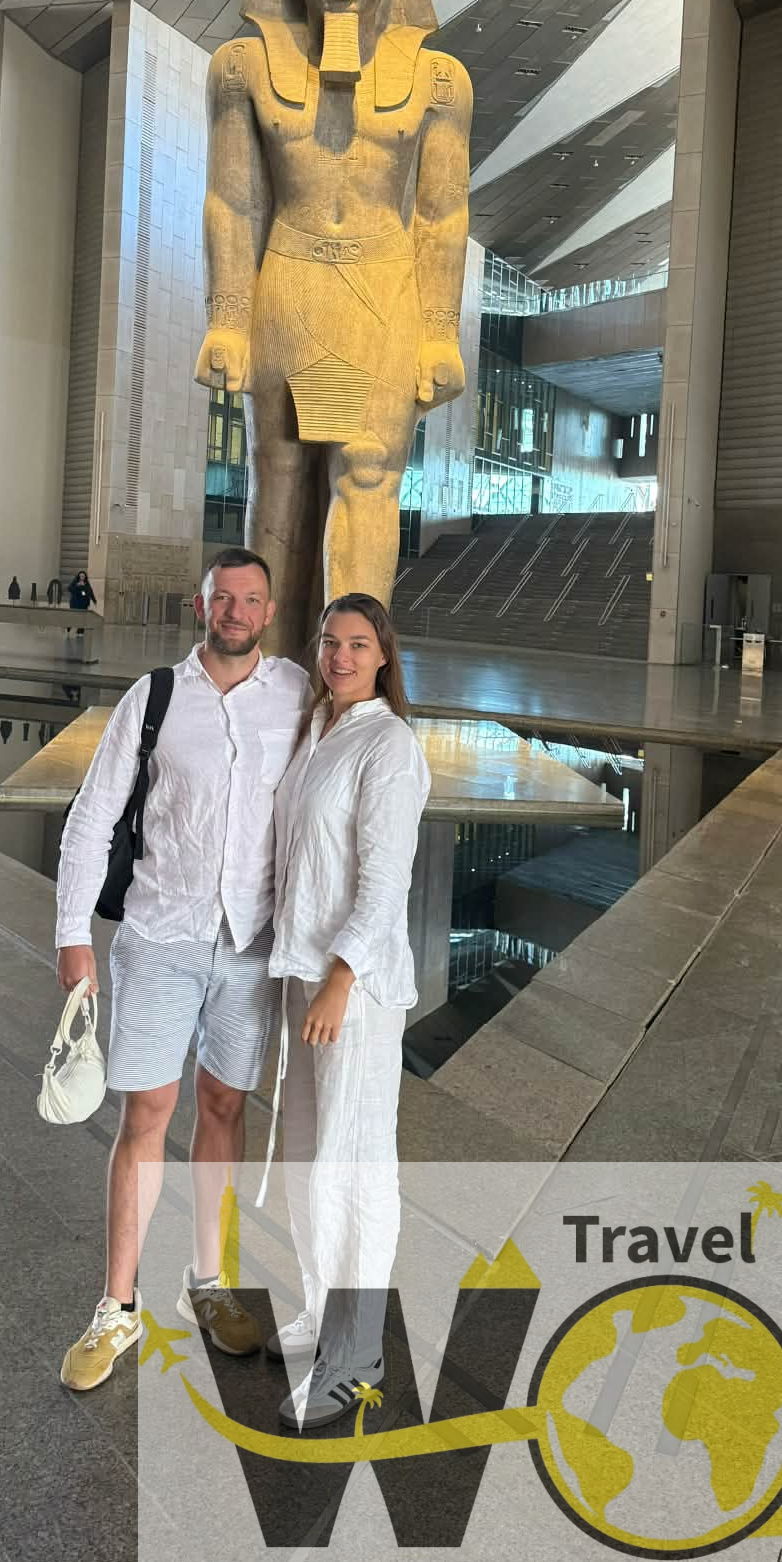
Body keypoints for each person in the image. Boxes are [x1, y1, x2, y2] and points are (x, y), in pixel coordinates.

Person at [55, 548, 310, 1392]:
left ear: (267, 610)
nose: (236, 612)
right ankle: (116, 1307)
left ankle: (208, 1282)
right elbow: (93, 818)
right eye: (222, 598)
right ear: (201, 607)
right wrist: (72, 934)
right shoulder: (155, 696)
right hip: (161, 934)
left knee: (225, 1105)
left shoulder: (295, 693)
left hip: (251, 944)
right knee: (147, 1114)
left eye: (251, 599)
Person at [265, 592, 430, 1429]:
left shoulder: (388, 744)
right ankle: (319, 1309)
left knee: (352, 1164)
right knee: (307, 1157)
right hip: (303, 975)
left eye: (358, 644)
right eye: (330, 641)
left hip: (351, 990)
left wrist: (340, 976)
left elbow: (385, 879)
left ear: (383, 655)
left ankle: (357, 1354)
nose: (340, 656)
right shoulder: (319, 731)